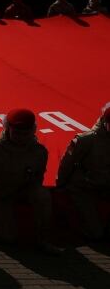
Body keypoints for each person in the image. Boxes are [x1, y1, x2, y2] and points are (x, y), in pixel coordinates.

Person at [0, 109, 58, 253]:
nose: (21, 137)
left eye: (26, 133)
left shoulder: (39, 152)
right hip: (1, 196)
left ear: (33, 131)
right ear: (7, 129)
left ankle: (43, 238)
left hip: (24, 192)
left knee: (42, 195)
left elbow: (38, 179)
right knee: (7, 238)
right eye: (17, 133)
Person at [57, 103, 110, 241]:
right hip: (83, 187)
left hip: (105, 184)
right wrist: (60, 185)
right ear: (105, 122)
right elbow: (66, 164)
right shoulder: (86, 140)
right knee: (95, 233)